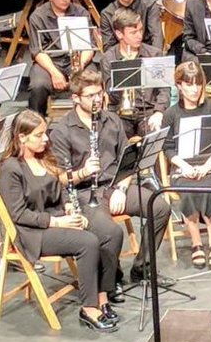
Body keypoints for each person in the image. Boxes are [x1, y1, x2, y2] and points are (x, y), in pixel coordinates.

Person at [0, 109, 121, 331]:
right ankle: (89, 308)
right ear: (21, 138)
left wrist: (69, 207)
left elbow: (60, 189)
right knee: (88, 242)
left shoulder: (43, 159)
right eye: (39, 135)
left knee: (110, 233)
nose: (46, 139)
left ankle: (102, 295)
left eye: (45, 133)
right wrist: (59, 222)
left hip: (56, 218)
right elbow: (19, 215)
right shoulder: (11, 169)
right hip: (32, 232)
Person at [48, 67, 167, 289]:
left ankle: (143, 268)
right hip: (84, 193)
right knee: (111, 232)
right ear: (75, 98)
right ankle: (110, 281)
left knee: (159, 207)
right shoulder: (62, 130)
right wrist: (82, 172)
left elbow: (127, 161)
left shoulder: (112, 120)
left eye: (99, 93)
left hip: (115, 185)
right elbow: (58, 179)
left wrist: (121, 189)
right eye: (90, 95)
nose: (97, 100)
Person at [159, 61, 211, 271]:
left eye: (198, 84)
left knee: (207, 187)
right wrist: (184, 165)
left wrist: (207, 164)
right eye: (189, 85)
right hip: (183, 167)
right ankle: (196, 242)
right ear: (179, 86)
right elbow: (168, 148)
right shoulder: (171, 114)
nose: (195, 89)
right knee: (189, 191)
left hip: (209, 165)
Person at [26, 0, 95, 114]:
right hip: (50, 62)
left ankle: (92, 121)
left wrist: (80, 65)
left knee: (93, 81)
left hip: (76, 60)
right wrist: (54, 73)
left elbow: (89, 46)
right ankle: (37, 124)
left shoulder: (81, 12)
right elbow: (37, 51)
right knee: (38, 85)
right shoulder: (38, 16)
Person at [100, 8, 167, 137]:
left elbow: (164, 89)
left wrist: (159, 112)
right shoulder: (109, 59)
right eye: (133, 32)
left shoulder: (154, 55)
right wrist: (124, 74)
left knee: (155, 133)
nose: (139, 36)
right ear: (119, 34)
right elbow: (111, 95)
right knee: (111, 134)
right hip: (120, 112)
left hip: (148, 111)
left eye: (141, 30)